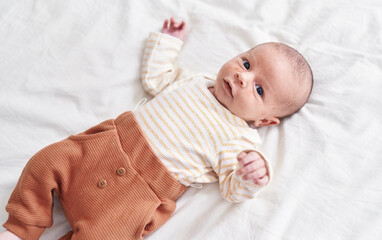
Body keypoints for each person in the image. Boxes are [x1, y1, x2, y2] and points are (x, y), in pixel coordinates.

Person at [0, 17, 313, 240]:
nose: (244, 77)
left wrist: (252, 175)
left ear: (265, 121)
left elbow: (233, 190)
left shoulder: (239, 139)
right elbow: (157, 77)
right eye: (246, 63)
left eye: (259, 90)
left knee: (109, 235)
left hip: (135, 198)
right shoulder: (195, 81)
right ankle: (21, 228)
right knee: (46, 161)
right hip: (102, 148)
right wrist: (168, 43)